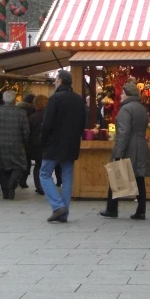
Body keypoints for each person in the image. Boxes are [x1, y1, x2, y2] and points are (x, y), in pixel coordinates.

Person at [99, 81, 150, 220]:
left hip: (129, 146)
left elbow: (123, 132)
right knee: (139, 178)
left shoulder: (126, 109)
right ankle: (141, 210)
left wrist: (119, 152)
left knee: (116, 174)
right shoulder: (141, 108)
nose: (120, 96)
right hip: (141, 145)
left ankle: (112, 208)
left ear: (128, 94)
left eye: (122, 93)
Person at [40, 70, 86, 223]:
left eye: (55, 80)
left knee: (44, 174)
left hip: (53, 144)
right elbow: (82, 124)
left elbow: (47, 124)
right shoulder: (79, 100)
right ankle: (64, 213)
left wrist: (43, 141)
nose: (54, 82)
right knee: (67, 179)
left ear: (60, 81)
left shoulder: (55, 99)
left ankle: (58, 205)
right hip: (71, 144)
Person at [0, 90, 29, 200]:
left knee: (3, 168)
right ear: (15, 100)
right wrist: (24, 142)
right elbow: (26, 131)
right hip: (17, 144)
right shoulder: (21, 113)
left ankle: (6, 191)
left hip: (0, 145)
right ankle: (12, 183)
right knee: (18, 166)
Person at [27, 95, 49, 195]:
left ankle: (38, 186)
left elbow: (29, 132)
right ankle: (45, 185)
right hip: (47, 143)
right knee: (47, 165)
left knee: (38, 165)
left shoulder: (32, 117)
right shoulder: (49, 115)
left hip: (35, 144)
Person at [16, 93, 36, 188]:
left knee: (17, 159)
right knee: (26, 160)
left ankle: (17, 177)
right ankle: (23, 180)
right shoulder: (32, 111)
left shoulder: (17, 109)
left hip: (17, 137)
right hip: (28, 138)